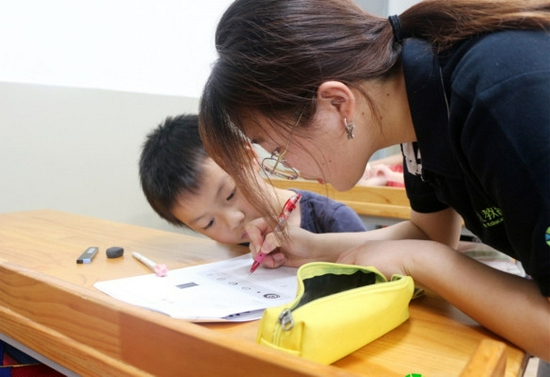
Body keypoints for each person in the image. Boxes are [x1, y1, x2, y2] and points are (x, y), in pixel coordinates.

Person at [198, 0, 550, 363]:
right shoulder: (418, 97)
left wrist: (423, 261)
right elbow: (430, 233)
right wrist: (310, 248)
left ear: (337, 103)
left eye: (278, 149)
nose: (289, 168)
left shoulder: (504, 98)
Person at [138, 114, 366, 245]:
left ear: (248, 156)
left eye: (230, 194)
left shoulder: (331, 220)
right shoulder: (226, 251)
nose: (234, 219)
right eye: (208, 224)